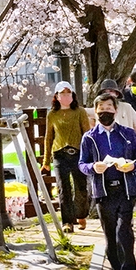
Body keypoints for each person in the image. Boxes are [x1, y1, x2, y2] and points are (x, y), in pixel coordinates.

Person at [78, 93, 136, 270]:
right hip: (103, 191)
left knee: (124, 231)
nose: (105, 111)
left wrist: (132, 167)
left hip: (126, 189)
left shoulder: (127, 134)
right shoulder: (89, 137)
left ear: (115, 110)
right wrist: (93, 168)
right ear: (96, 111)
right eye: (101, 108)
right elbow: (82, 163)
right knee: (110, 234)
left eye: (109, 107)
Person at [41, 80, 93, 232]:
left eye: (68, 93)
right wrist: (46, 160)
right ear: (56, 97)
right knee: (63, 189)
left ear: (73, 95)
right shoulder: (52, 114)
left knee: (80, 186)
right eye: (62, 93)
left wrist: (89, 154)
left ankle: (81, 215)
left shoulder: (80, 112)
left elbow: (86, 133)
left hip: (78, 153)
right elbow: (48, 137)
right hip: (59, 154)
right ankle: (67, 222)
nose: (65, 96)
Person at [92, 78, 136, 146]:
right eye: (105, 92)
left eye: (111, 91)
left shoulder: (127, 107)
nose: (108, 94)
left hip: (126, 148)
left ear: (116, 94)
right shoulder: (98, 110)